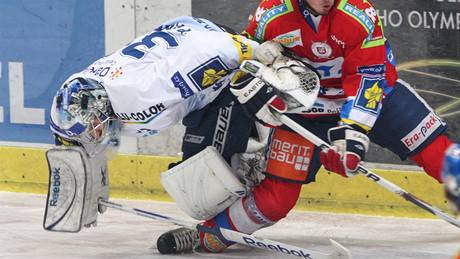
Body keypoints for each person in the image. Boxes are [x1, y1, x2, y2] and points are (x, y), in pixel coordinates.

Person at [157, 0, 455, 254]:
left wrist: (352, 136)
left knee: (439, 153)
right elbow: (245, 62)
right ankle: (209, 233)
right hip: (304, 112)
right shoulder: (271, 14)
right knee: (276, 199)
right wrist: (258, 79)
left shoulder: (358, 13)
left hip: (378, 100)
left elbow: (368, 80)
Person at [44, 15, 265, 232]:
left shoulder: (144, 93)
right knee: (195, 178)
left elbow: (206, 49)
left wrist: (253, 50)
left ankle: (259, 168)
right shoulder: (74, 95)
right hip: (186, 46)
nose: (94, 134)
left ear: (102, 107)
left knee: (206, 186)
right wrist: (79, 188)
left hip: (223, 60)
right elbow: (70, 144)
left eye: (95, 127)